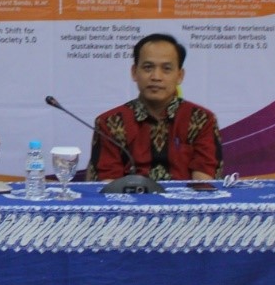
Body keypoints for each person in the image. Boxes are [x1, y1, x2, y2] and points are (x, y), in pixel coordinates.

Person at [88, 33, 222, 183]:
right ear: (134, 72)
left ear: (180, 75)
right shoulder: (110, 123)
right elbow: (107, 183)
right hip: (128, 197)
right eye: (148, 67)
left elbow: (204, 181)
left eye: (166, 69)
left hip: (186, 198)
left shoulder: (201, 120)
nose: (156, 77)